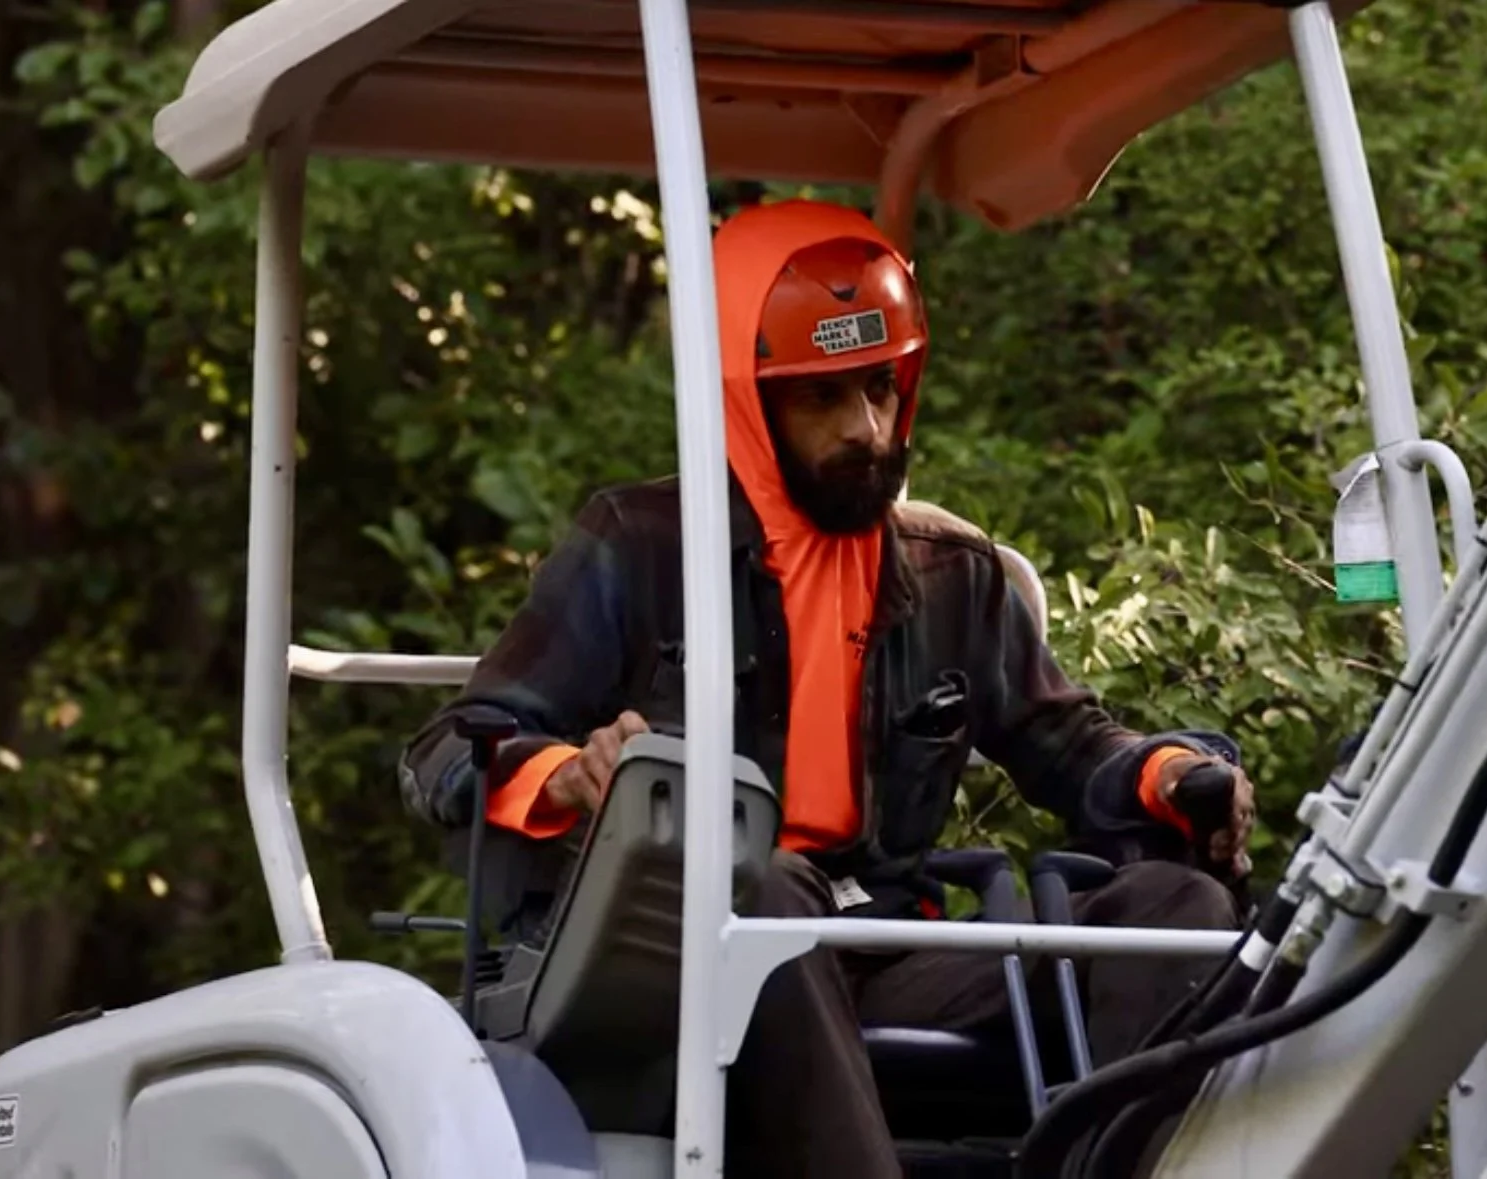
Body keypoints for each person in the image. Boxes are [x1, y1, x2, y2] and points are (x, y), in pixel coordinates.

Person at [398, 198, 1260, 1177]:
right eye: (821, 399)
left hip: (885, 943)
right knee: (759, 885)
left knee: (1177, 908)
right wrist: (566, 776)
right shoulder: (633, 545)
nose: (864, 429)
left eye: (879, 390)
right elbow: (446, 750)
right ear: (747, 404)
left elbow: (1067, 744)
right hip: (665, 956)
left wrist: (1162, 775)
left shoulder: (952, 574)